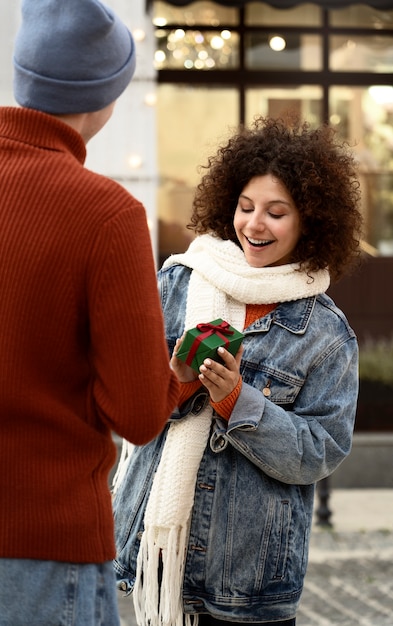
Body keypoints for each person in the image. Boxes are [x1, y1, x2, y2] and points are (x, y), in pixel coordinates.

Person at [112, 116, 363, 626]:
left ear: (310, 220)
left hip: (248, 579)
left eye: (276, 212)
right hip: (151, 565)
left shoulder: (327, 334)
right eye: (246, 207)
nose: (254, 224)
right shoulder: (179, 284)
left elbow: (321, 451)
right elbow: (126, 405)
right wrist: (177, 384)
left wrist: (238, 403)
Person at [0, 1, 179, 625]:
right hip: (45, 537)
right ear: (104, 95)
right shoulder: (106, 214)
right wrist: (188, 373)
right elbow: (140, 413)